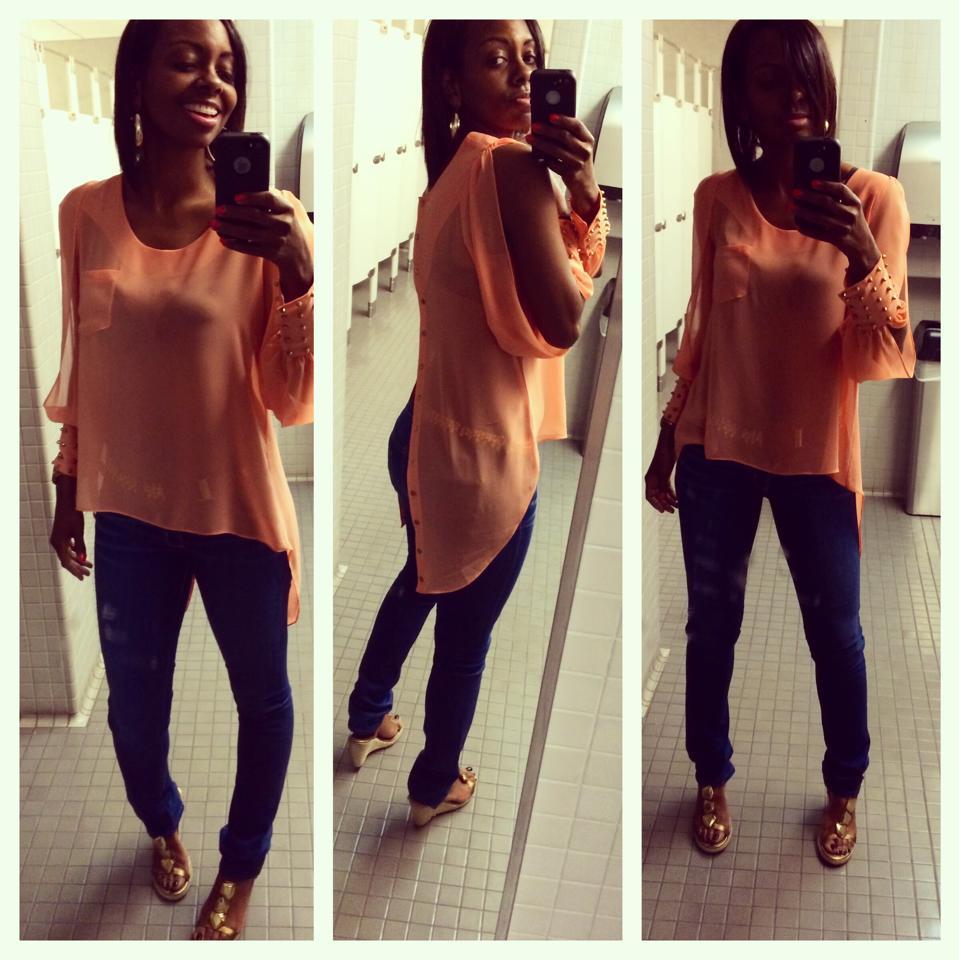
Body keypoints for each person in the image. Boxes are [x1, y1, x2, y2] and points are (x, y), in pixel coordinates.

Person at [44, 20, 313, 939]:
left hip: (237, 510)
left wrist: (298, 274)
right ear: (138, 77)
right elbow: (85, 368)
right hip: (127, 515)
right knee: (133, 714)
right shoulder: (85, 213)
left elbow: (290, 397)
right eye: (187, 58)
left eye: (227, 67)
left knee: (263, 702)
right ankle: (161, 820)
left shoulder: (268, 221)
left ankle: (242, 864)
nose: (212, 81)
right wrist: (67, 487)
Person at [645, 19, 914, 867]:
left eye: (804, 75)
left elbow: (884, 354)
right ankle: (711, 776)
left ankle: (845, 787)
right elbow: (701, 333)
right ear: (742, 98)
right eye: (770, 79)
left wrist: (862, 254)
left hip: (817, 459)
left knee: (837, 633)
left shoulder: (875, 199)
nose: (793, 94)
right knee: (710, 629)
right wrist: (668, 434)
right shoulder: (716, 199)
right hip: (717, 453)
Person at [345, 19, 609, 825]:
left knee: (421, 575)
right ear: (453, 81)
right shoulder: (514, 168)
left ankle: (366, 716)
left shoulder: (450, 169)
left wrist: (576, 195)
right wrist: (585, 198)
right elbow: (563, 320)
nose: (524, 76)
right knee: (465, 641)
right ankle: (435, 784)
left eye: (530, 58)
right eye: (498, 60)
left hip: (424, 431)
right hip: (484, 459)